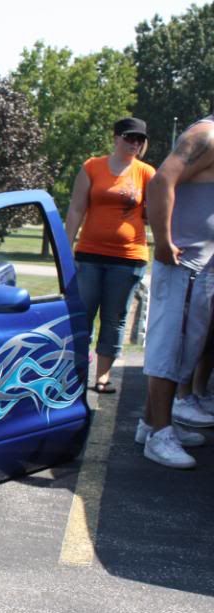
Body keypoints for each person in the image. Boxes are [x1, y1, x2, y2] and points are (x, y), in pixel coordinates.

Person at [141, 113, 214, 469]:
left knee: (186, 348)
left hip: (200, 266)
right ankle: (160, 434)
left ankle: (150, 422)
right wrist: (163, 241)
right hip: (183, 262)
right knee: (170, 347)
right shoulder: (206, 136)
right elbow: (160, 182)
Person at [65, 117, 156, 394]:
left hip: (128, 258)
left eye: (140, 139)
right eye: (130, 137)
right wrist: (65, 247)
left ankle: (102, 377)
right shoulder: (92, 167)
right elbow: (76, 209)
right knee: (82, 315)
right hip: (90, 255)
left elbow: (153, 213)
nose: (135, 144)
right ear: (115, 137)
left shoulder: (146, 173)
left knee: (114, 318)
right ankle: (75, 374)